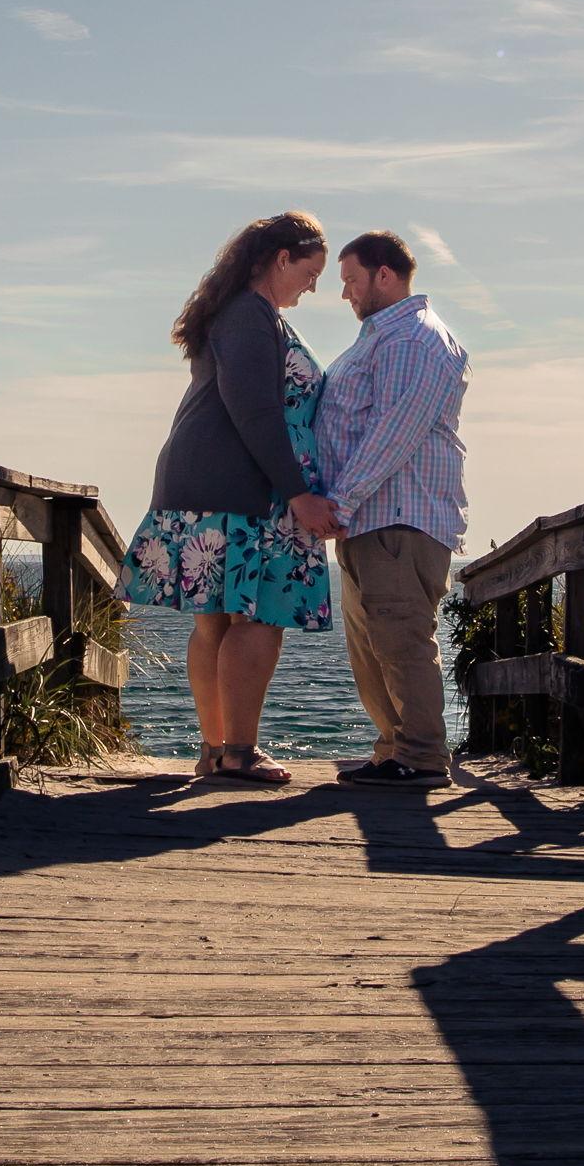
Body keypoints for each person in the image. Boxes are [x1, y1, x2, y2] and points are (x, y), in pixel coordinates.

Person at [119, 210, 343, 786]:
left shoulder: (240, 313)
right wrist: (299, 494)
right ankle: (238, 751)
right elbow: (256, 412)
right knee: (261, 615)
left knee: (215, 621)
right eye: (311, 271)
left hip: (209, 483)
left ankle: (217, 750)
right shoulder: (249, 315)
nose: (314, 285)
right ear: (281, 259)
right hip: (246, 491)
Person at [314, 229, 468, 786]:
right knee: (373, 644)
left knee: (400, 640)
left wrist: (339, 501)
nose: (345, 293)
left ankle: (423, 757)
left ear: (385, 275)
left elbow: (393, 432)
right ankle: (395, 750)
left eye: (352, 279)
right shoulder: (386, 337)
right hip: (371, 519)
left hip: (397, 518)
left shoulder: (412, 339)